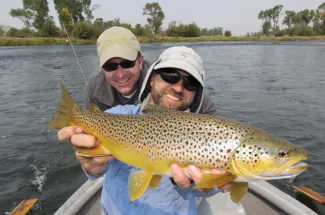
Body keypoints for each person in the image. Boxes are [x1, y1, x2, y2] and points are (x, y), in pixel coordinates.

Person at [59, 46, 230, 215]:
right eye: (170, 76)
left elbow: (210, 188)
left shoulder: (208, 137)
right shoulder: (115, 117)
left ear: (196, 93)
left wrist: (206, 186)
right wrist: (90, 165)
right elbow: (94, 171)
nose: (178, 87)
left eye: (190, 82)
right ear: (151, 79)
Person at [85, 26, 217, 115]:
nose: (120, 74)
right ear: (101, 66)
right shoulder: (94, 86)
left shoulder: (196, 99)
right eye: (110, 66)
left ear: (140, 61)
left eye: (127, 63)